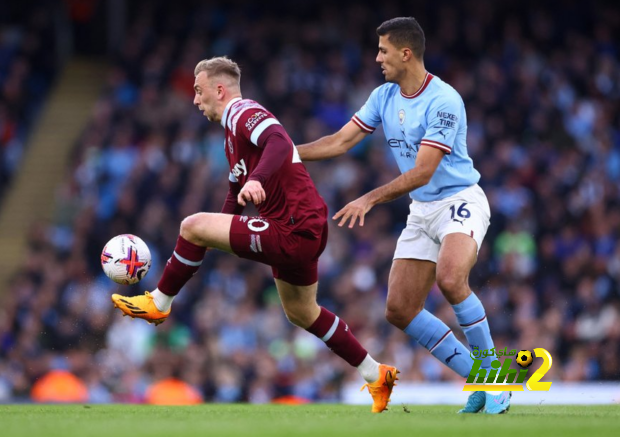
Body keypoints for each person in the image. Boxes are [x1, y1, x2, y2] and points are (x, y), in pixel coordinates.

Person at [111, 56, 398, 412]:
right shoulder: (232, 139)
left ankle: (158, 303)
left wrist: (244, 194)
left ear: (220, 89)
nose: (195, 101)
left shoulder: (243, 111)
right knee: (301, 312)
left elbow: (280, 142)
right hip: (302, 229)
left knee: (191, 225)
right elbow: (234, 196)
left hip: (293, 224)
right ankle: (376, 374)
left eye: (199, 92)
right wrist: (213, 238)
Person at [296, 17, 510, 414]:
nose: (378, 58)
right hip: (422, 209)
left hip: (458, 200)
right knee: (399, 309)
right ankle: (478, 380)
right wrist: (285, 152)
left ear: (405, 53)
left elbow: (424, 170)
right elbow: (340, 141)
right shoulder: (383, 97)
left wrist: (369, 199)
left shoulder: (444, 100)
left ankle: (494, 378)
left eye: (383, 51)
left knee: (450, 278)